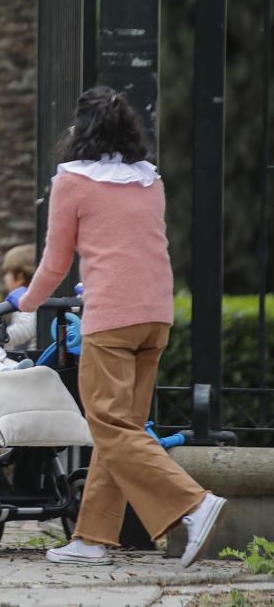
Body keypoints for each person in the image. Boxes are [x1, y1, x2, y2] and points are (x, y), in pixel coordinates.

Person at [13, 85, 226, 568]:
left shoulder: (72, 181)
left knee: (107, 426)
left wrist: (24, 302)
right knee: (122, 429)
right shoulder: (148, 180)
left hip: (110, 320)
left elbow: (54, 263)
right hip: (155, 315)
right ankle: (91, 539)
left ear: (81, 132)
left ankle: (193, 504)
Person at [0, 244, 38, 352]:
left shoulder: (25, 299)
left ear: (20, 276)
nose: (4, 278)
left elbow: (26, 327)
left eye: (7, 273)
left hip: (34, 363)